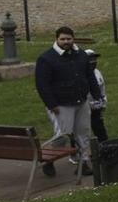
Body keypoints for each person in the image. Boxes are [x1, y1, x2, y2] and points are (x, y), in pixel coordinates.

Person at [34, 26, 98, 177]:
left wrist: (96, 94)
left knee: (83, 133)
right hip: (61, 104)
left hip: (80, 101)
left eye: (69, 39)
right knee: (61, 135)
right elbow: (42, 85)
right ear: (56, 39)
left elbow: (89, 76)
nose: (66, 42)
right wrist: (52, 104)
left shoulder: (81, 55)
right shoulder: (46, 59)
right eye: (62, 39)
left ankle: (83, 163)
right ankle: (48, 161)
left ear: (73, 39)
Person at [85, 49, 108, 142]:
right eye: (90, 60)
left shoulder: (97, 72)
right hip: (84, 108)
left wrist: (103, 103)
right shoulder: (81, 74)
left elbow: (102, 89)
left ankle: (105, 149)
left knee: (100, 130)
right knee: (84, 131)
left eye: (94, 59)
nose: (93, 62)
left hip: (96, 107)